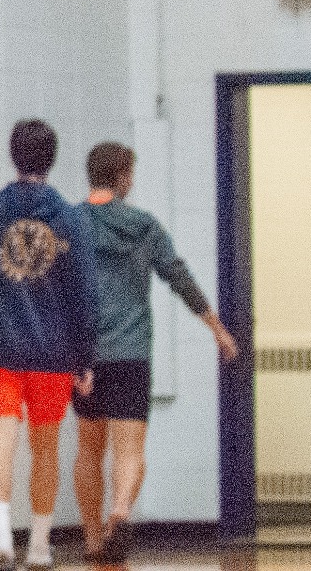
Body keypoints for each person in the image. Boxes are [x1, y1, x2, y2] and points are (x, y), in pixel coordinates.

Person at [70, 142, 238, 564]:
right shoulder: (144, 226)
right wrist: (217, 328)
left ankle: (93, 540)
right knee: (129, 449)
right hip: (131, 352)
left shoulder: (69, 223)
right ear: (123, 177)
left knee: (89, 449)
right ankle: (120, 512)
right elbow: (179, 278)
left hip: (84, 354)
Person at [0, 119, 99, 571]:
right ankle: (39, 547)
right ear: (52, 159)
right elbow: (84, 293)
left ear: (13, 155)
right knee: (46, 447)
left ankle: (2, 541)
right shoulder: (71, 218)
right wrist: (85, 356)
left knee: (0, 439)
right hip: (53, 351)